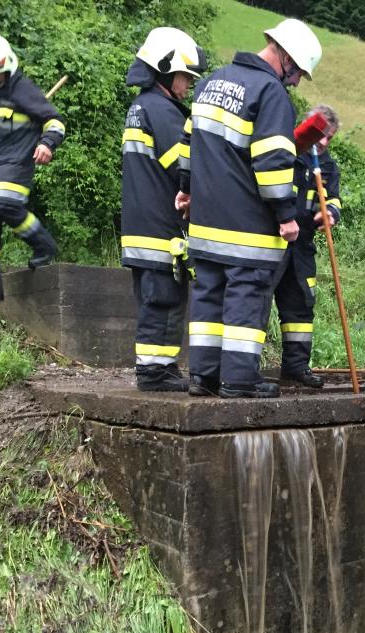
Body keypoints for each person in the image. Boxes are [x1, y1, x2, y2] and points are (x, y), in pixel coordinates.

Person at [177, 19, 322, 399]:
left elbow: (188, 144)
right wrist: (287, 216)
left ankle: (204, 377)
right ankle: (239, 380)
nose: (296, 83)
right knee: (247, 296)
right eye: (299, 74)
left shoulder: (212, 82)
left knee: (208, 295)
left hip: (206, 222)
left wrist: (186, 190)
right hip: (248, 227)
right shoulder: (270, 93)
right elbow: (273, 161)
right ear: (287, 57)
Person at [120, 28, 207, 391]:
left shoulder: (140, 108)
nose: (187, 86)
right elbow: (184, 168)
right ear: (165, 70)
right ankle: (155, 373)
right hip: (159, 230)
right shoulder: (162, 111)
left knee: (155, 300)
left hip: (141, 226)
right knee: (163, 300)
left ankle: (159, 368)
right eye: (185, 77)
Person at [0, 34, 66, 308]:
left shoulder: (24, 90)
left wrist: (47, 144)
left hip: (16, 164)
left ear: (7, 67)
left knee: (0, 202)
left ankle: (44, 244)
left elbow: (56, 122)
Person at [274, 104, 342, 388]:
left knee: (301, 305)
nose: (323, 142)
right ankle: (244, 369)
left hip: (303, 245)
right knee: (258, 299)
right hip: (272, 239)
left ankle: (296, 367)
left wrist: (331, 213)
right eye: (320, 135)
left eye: (329, 138)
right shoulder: (283, 153)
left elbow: (335, 199)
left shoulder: (327, 167)